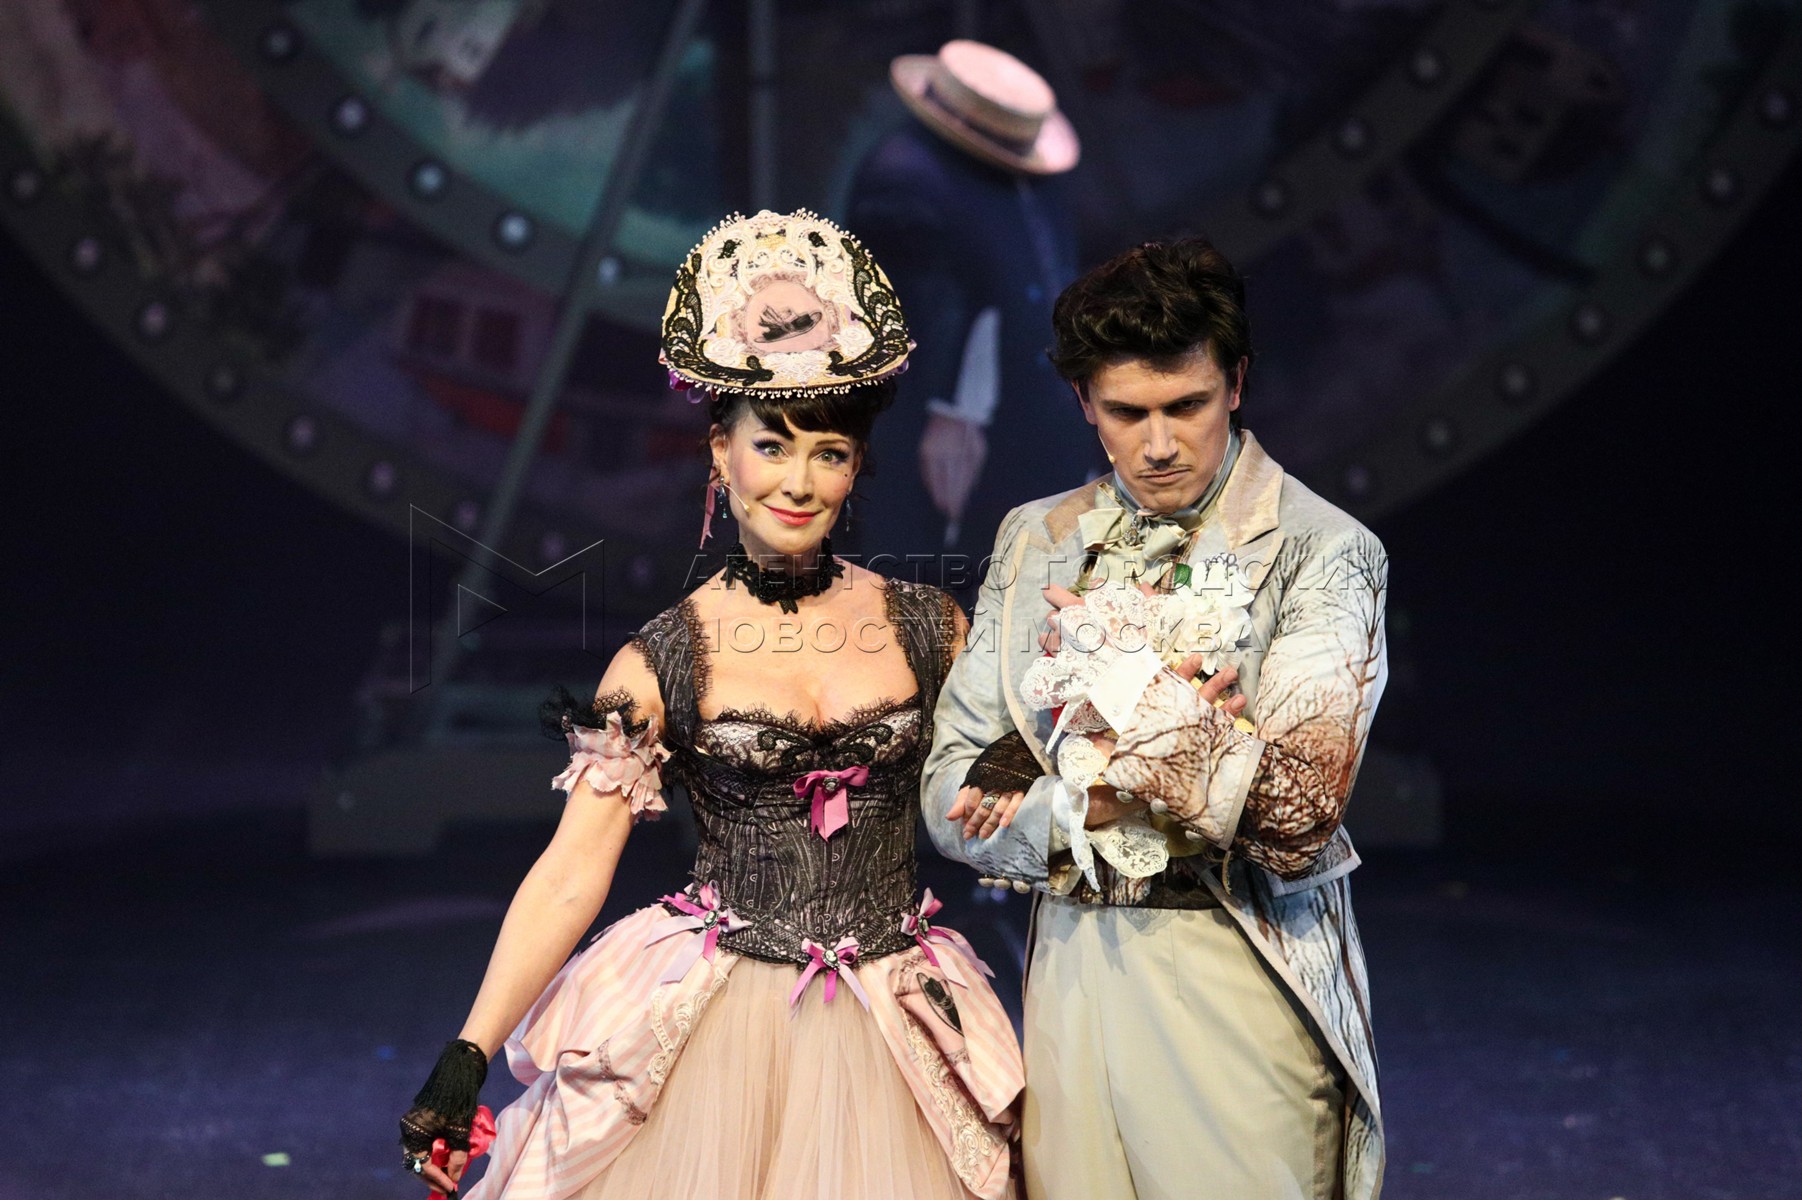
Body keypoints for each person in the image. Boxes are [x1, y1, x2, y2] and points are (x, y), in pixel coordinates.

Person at [396, 209, 1023, 1200]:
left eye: (829, 453)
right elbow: (571, 870)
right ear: (719, 454)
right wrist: (466, 1053)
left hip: (897, 1019)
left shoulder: (925, 625)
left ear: (856, 468)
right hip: (721, 1025)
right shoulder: (661, 659)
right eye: (771, 446)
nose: (798, 482)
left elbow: (1010, 781)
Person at [921, 238, 1388, 1199]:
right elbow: (949, 791)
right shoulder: (1035, 537)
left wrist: (1132, 687)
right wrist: (1084, 808)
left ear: (1237, 384)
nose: (1160, 444)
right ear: (1085, 403)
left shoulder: (1326, 550)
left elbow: (1298, 816)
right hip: (1070, 971)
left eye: (1187, 406)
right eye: (1128, 413)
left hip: (1232, 965)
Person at [843, 39, 1099, 583]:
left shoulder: (1042, 184)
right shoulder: (907, 175)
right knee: (926, 582)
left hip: (1032, 425)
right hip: (941, 438)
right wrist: (950, 410)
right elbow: (913, 312)